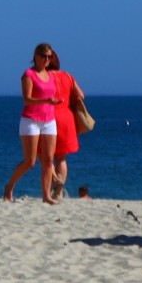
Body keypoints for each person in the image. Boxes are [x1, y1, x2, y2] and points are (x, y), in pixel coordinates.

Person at [3, 43, 62, 204]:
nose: (47, 60)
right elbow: (27, 99)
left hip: (49, 120)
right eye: (44, 56)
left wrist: (55, 102)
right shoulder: (28, 75)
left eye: (50, 57)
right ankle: (9, 186)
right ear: (36, 56)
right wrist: (45, 100)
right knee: (30, 161)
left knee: (49, 160)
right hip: (31, 120)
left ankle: (46, 196)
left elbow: (50, 95)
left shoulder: (50, 75)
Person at [47, 50, 86, 202]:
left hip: (50, 117)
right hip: (67, 119)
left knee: (46, 156)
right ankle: (59, 191)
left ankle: (53, 183)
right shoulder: (68, 76)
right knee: (61, 158)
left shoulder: (45, 77)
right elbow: (81, 95)